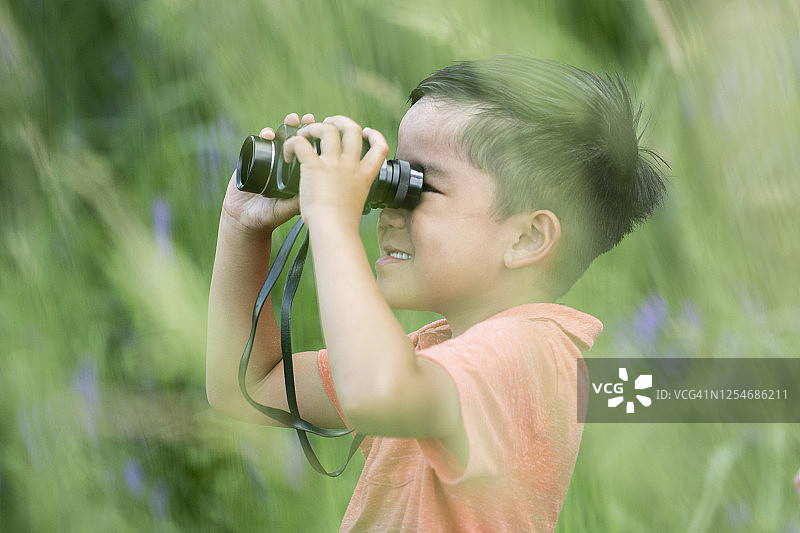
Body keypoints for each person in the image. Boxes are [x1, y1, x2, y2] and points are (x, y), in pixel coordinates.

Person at [206, 56, 666, 532]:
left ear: (527, 238)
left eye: (419, 186)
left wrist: (331, 218)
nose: (384, 209)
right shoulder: (437, 355)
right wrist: (242, 226)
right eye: (391, 178)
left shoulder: (528, 359)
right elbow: (247, 388)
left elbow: (377, 391)